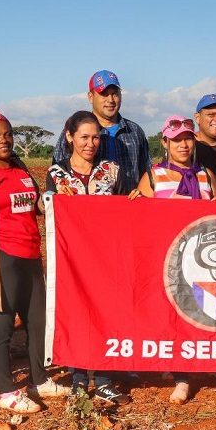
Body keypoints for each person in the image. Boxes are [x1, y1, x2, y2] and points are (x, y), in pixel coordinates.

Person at [131, 115, 216, 405]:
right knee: (175, 319)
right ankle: (182, 377)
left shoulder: (206, 176)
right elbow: (140, 221)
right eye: (176, 140)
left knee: (215, 316)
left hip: (205, 260)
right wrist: (134, 203)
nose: (183, 145)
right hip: (170, 260)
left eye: (187, 138)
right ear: (165, 142)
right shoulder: (153, 177)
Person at [0, 110, 68, 414]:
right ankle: (6, 391)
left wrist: (51, 202)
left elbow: (31, 203)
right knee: (2, 328)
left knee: (38, 323)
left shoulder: (20, 168)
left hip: (31, 257)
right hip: (2, 260)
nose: (4, 140)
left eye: (7, 134)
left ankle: (39, 379)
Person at [46, 110, 129, 405]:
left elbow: (125, 211)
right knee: (77, 317)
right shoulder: (56, 175)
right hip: (72, 261)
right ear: (69, 137)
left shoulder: (112, 171)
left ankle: (105, 379)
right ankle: (78, 379)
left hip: (107, 258)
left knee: (106, 315)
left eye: (95, 137)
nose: (90, 143)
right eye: (84, 137)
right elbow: (50, 215)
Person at [53, 70, 150, 194]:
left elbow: (147, 172)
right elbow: (58, 172)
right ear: (91, 97)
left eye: (115, 94)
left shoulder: (134, 131)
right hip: (86, 208)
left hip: (127, 207)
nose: (110, 100)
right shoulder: (74, 130)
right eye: (104, 94)